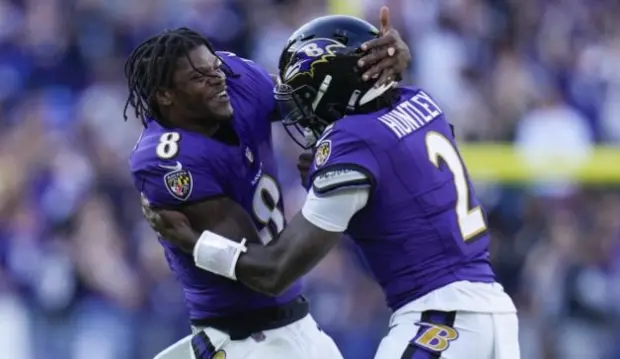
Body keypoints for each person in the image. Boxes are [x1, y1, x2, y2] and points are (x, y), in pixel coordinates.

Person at [142, 14, 521, 359]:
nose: (303, 114)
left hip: (441, 317)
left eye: (307, 98)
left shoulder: (351, 142)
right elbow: (399, 178)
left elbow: (276, 271)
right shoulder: (420, 101)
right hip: (495, 312)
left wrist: (193, 242)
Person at [127, 8, 411, 359]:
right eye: (199, 77)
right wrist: (331, 197)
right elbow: (262, 270)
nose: (217, 78)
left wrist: (379, 67)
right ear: (165, 96)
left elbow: (316, 96)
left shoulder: (236, 79)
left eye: (215, 67)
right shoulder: (168, 159)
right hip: (241, 339)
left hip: (300, 325)